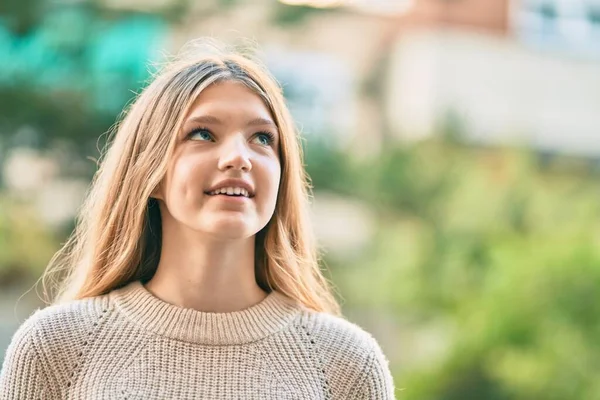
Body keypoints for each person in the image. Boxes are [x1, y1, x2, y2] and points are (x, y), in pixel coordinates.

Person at [0, 41, 396, 399]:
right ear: (150, 173)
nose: (239, 157)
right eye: (203, 134)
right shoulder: (55, 348)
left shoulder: (347, 364)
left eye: (262, 138)